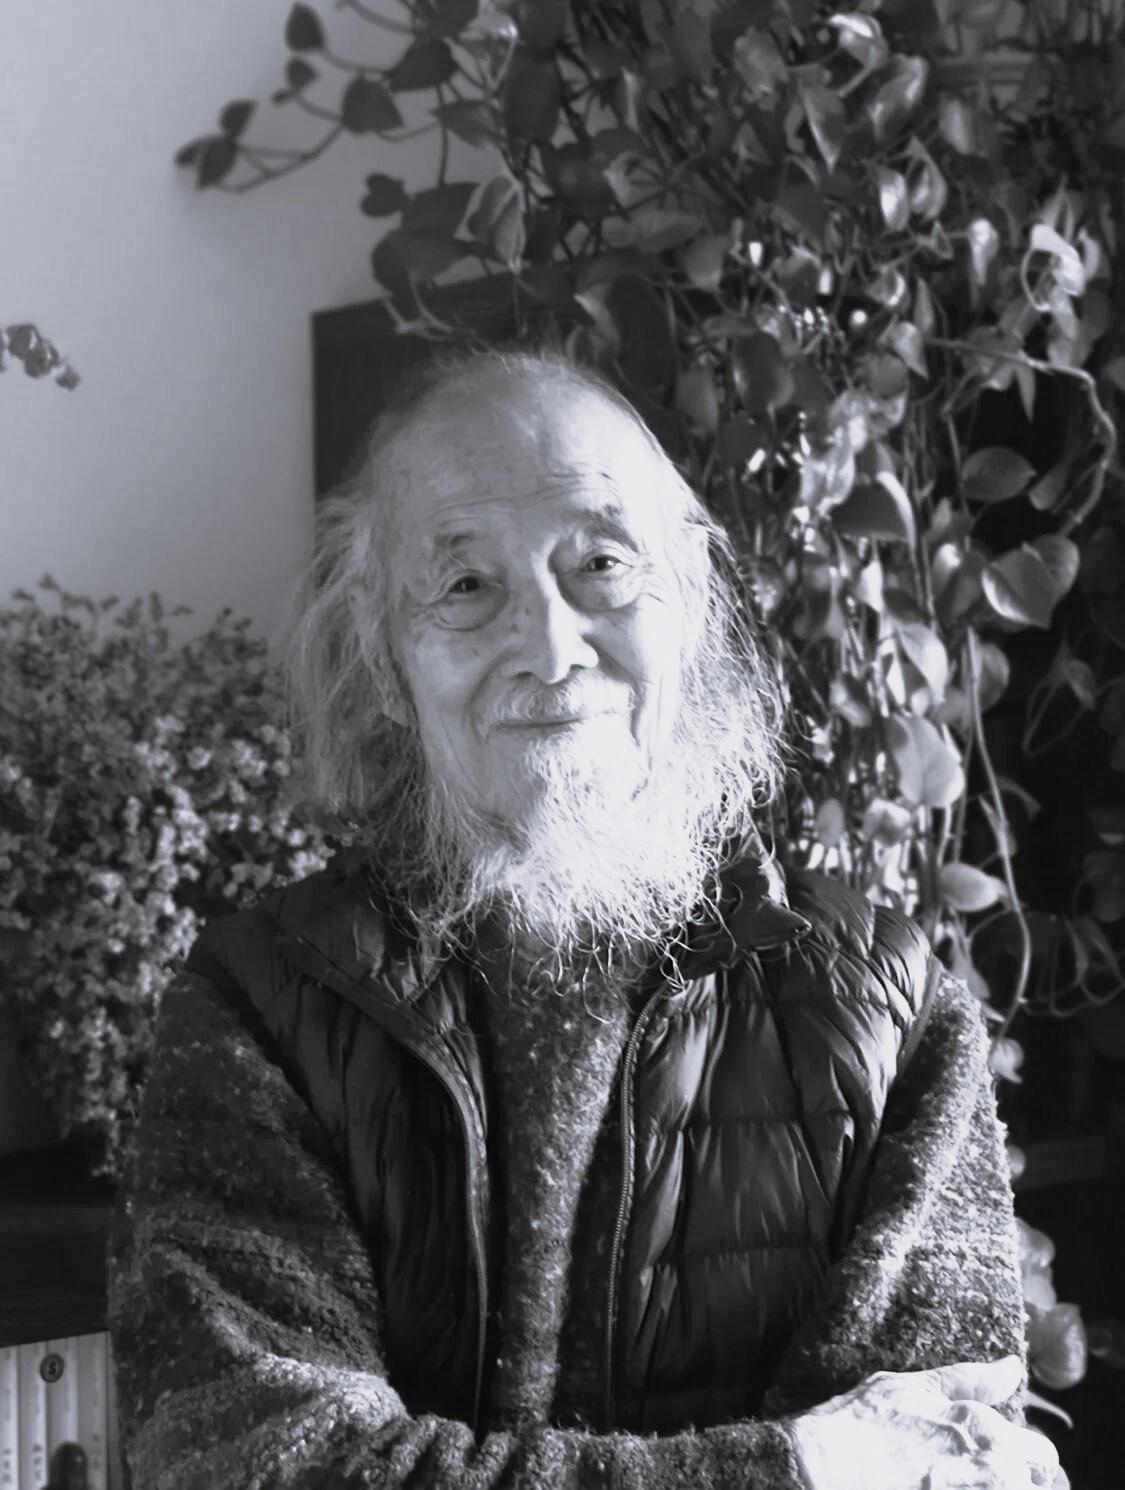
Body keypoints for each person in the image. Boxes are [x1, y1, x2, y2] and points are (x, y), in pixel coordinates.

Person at [108, 348, 1059, 1489]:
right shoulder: (258, 1006)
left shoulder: (892, 1013)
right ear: (383, 649)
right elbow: (253, 1464)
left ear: (692, 597)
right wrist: (792, 1468)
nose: (551, 646)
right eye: (466, 586)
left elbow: (941, 1462)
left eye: (602, 563)